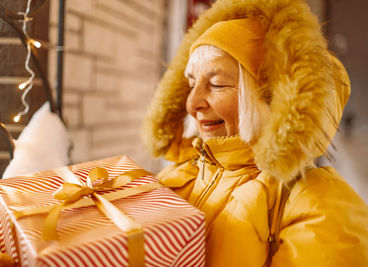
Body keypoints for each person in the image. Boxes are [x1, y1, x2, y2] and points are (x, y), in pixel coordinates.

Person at [141, 0, 368, 266]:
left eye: (216, 84)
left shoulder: (321, 205)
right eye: (191, 84)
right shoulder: (181, 175)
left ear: (269, 98)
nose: (192, 104)